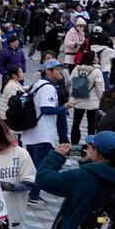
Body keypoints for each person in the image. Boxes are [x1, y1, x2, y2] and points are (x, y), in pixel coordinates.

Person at [21, 59, 67, 202]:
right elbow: (46, 109)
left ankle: (28, 192)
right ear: (48, 71)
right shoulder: (48, 87)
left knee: (32, 166)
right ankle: (34, 195)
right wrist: (65, 108)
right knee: (41, 166)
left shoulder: (37, 84)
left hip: (32, 131)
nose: (61, 71)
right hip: (43, 133)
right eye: (58, 69)